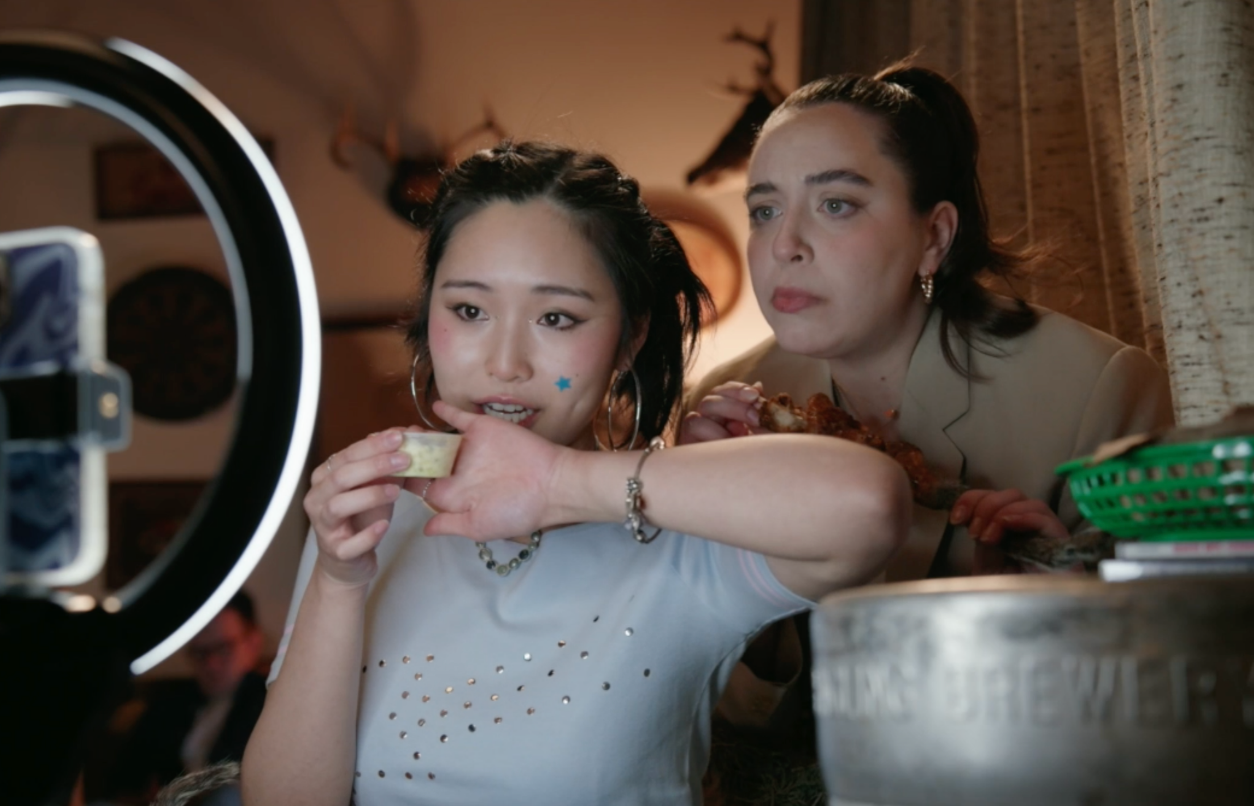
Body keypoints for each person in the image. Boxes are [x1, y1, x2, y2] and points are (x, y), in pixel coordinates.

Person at [242, 141, 911, 806]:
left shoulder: (683, 534)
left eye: (556, 317)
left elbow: (872, 504)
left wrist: (557, 482)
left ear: (629, 338)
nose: (505, 364)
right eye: (469, 310)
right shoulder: (374, 522)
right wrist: (337, 578)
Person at [680, 58, 1175, 782]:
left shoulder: (1097, 391)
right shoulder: (722, 408)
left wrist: (1050, 607)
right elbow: (708, 712)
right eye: (763, 210)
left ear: (934, 236)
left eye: (836, 204)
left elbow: (1164, 700)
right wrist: (714, 546)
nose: (784, 244)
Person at [105, 591, 268, 804]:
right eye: (200, 653)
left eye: (223, 649)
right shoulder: (168, 706)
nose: (211, 664)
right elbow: (123, 778)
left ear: (253, 643)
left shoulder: (269, 704)